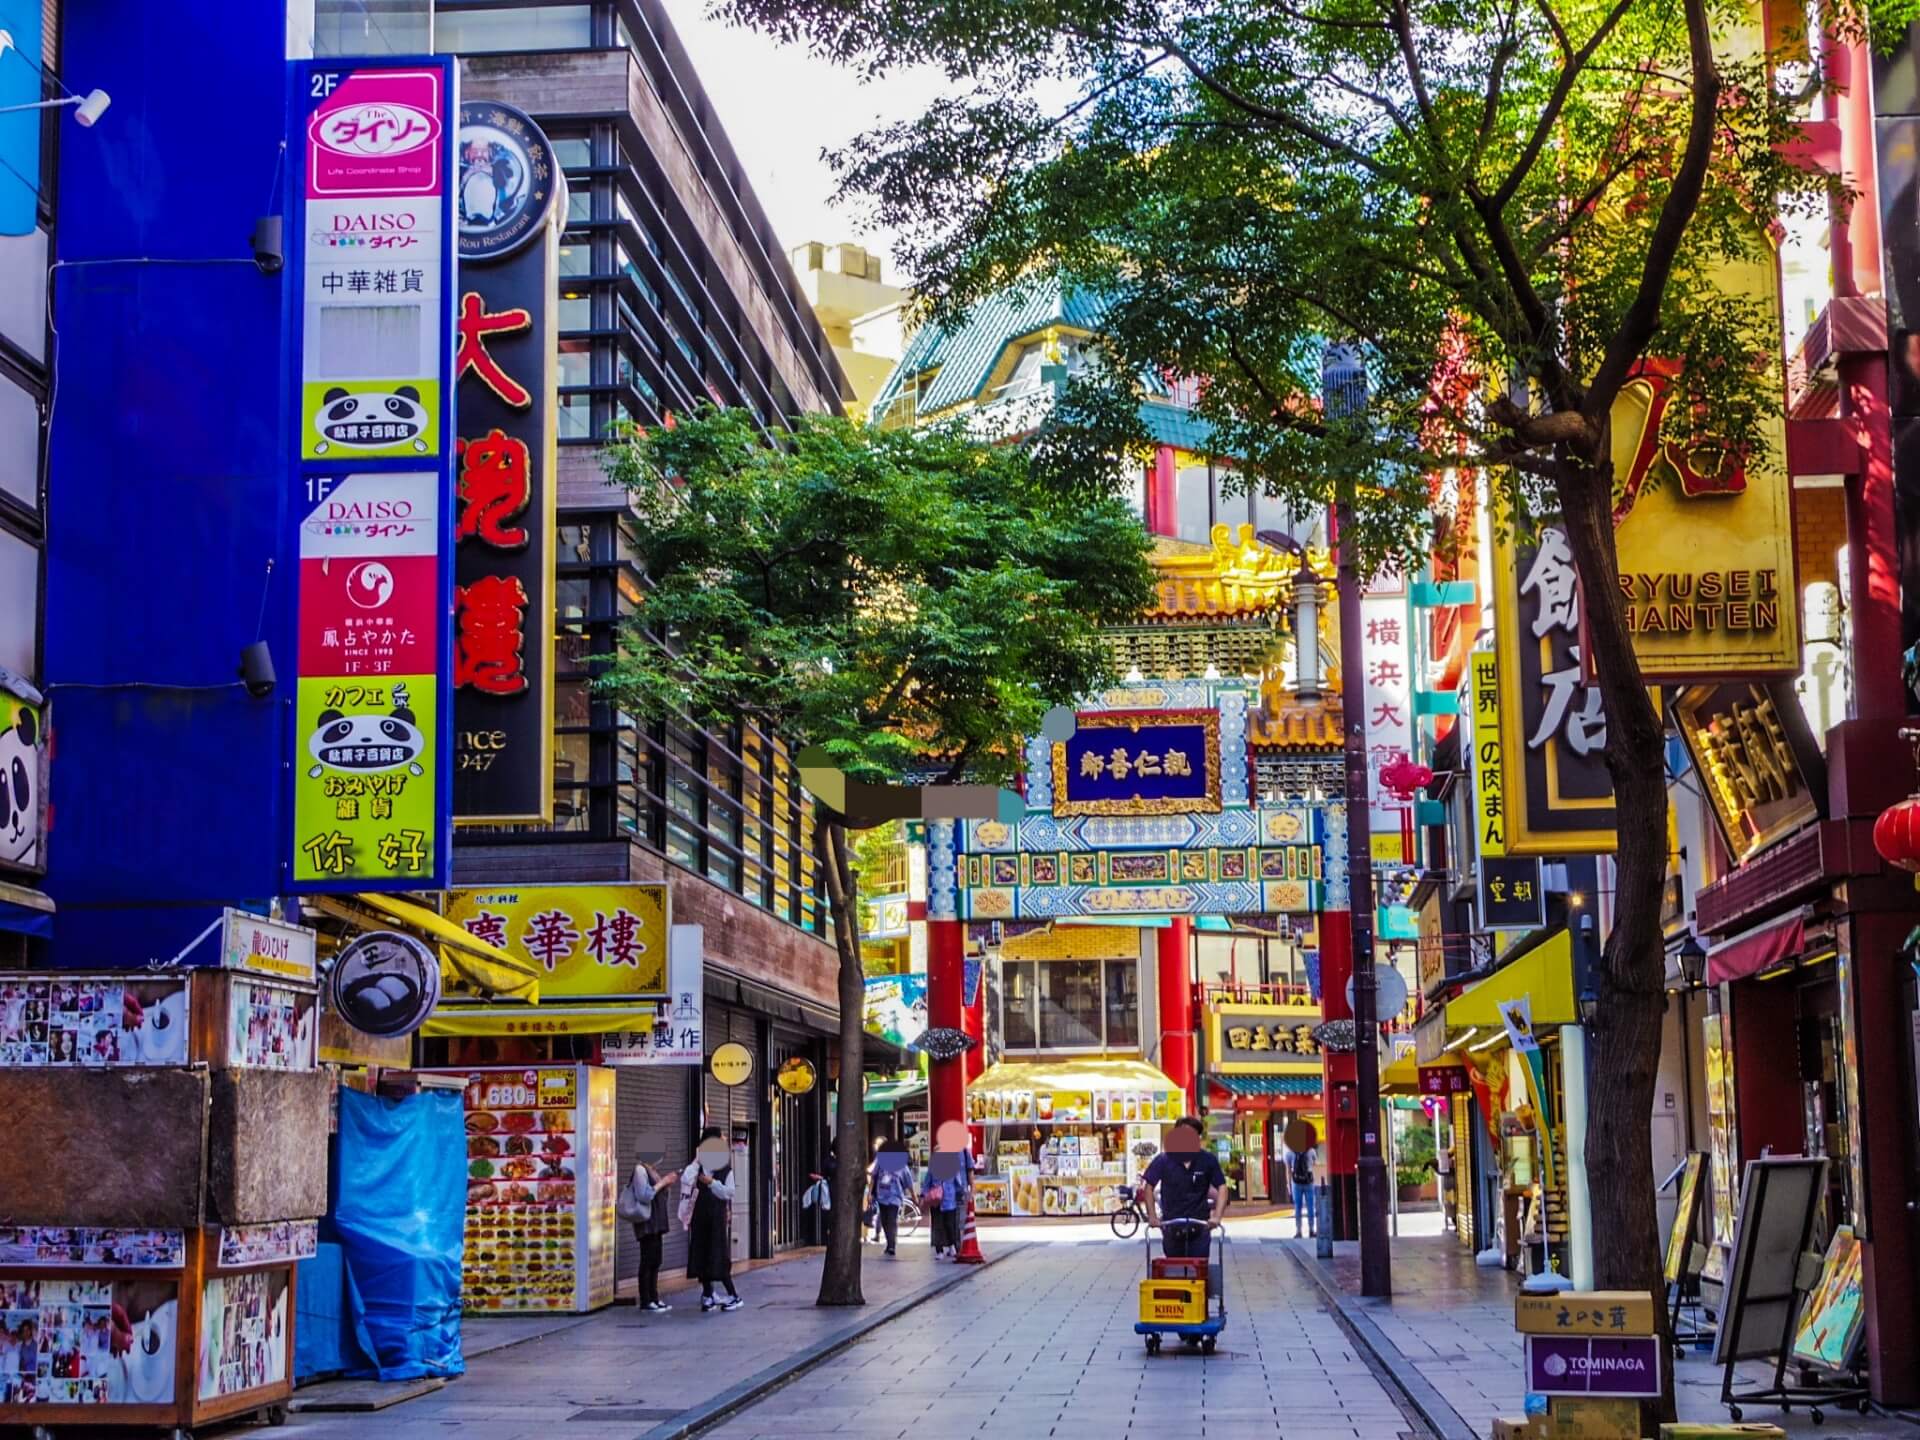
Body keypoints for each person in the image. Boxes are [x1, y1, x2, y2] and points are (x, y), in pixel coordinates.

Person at [1140, 1116, 1228, 1259]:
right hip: (1171, 1226)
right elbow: (1149, 1186)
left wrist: (1217, 1217)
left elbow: (1222, 1187)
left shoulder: (1207, 1160)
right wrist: (1152, 1217)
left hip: (1199, 1226)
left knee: (1199, 1272)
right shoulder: (1164, 1160)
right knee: (1174, 1271)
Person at [685, 1127, 743, 1312]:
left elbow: (729, 1191)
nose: (724, 1139)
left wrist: (712, 1183)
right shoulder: (698, 1165)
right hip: (700, 1217)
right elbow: (686, 1179)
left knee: (718, 1255)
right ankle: (707, 1294)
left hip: (716, 1217)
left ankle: (733, 1295)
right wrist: (696, 1160)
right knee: (702, 1254)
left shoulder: (724, 1167)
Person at [624, 1144, 678, 1312]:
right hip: (647, 1221)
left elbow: (657, 1194)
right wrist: (663, 1182)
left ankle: (654, 1297)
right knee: (648, 1260)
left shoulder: (652, 1171)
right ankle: (646, 1300)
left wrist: (665, 1185)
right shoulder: (640, 1170)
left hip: (656, 1221)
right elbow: (644, 1195)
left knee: (656, 1260)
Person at [870, 1138, 912, 1257]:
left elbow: (908, 1180)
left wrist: (914, 1195)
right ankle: (890, 1243)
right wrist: (869, 1193)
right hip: (882, 1195)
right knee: (884, 1220)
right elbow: (874, 1176)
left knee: (892, 1220)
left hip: (895, 1196)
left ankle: (891, 1245)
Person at [1288, 1139, 1319, 1238]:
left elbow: (1288, 1169)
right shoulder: (1311, 1151)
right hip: (1308, 1182)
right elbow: (1314, 1163)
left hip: (1296, 1182)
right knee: (1310, 1206)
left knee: (1298, 1207)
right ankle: (1311, 1230)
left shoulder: (1291, 1151)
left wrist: (1288, 1184)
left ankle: (1298, 1231)